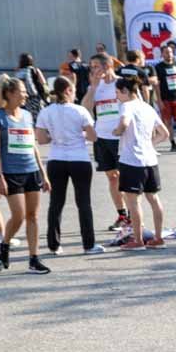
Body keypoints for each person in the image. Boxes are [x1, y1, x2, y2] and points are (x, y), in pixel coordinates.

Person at [35, 75, 103, 256]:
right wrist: (80, 134)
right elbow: (93, 136)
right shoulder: (80, 111)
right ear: (68, 91)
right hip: (79, 158)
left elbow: (41, 139)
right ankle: (88, 244)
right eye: (73, 90)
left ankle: (54, 245)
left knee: (56, 203)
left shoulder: (46, 112)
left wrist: (54, 136)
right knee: (84, 202)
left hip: (56, 158)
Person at [0, 76, 51, 273]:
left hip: (31, 171)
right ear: (10, 94)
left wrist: (43, 174)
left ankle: (34, 259)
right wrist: (0, 177)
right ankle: (5, 244)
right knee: (18, 216)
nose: (26, 95)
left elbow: (33, 145)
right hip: (11, 173)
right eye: (22, 92)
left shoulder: (27, 115)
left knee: (33, 216)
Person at [109, 74, 168, 251]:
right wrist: (149, 144)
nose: (116, 96)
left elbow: (124, 123)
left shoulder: (126, 106)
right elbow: (164, 133)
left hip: (131, 159)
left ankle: (138, 240)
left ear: (125, 91)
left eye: (117, 92)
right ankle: (158, 238)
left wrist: (116, 131)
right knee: (154, 199)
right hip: (150, 159)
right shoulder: (147, 107)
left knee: (133, 202)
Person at [85, 53, 128, 233]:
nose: (93, 70)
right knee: (112, 177)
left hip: (121, 137)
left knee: (126, 178)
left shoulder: (122, 83)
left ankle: (134, 216)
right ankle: (122, 215)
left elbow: (136, 106)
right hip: (102, 137)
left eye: (96, 66)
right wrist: (93, 88)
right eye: (92, 66)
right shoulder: (95, 86)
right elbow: (85, 109)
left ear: (108, 65)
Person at [153, 43, 176, 152]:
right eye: (166, 52)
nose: (169, 54)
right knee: (168, 122)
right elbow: (156, 85)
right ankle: (173, 143)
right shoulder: (158, 67)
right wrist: (159, 100)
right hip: (165, 99)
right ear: (162, 54)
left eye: (170, 52)